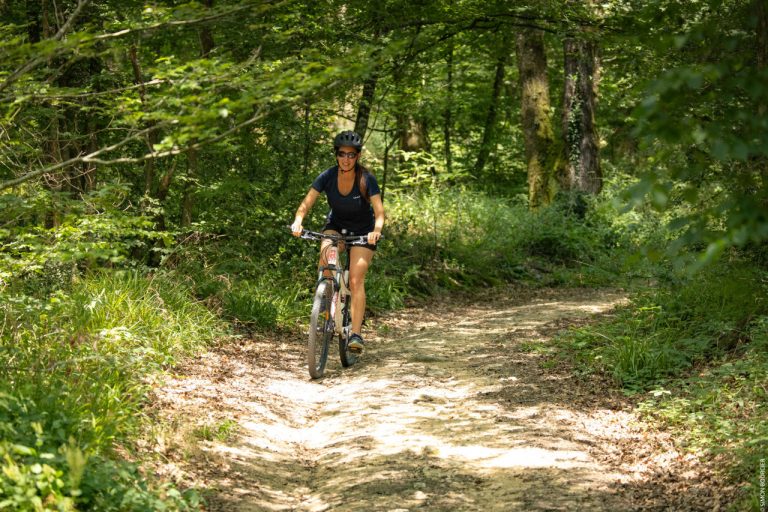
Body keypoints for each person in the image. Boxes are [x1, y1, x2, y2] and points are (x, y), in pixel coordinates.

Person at [291, 130, 385, 354]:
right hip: (336, 227)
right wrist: (298, 221)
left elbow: (379, 212)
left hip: (363, 232)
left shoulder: (366, 179)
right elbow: (307, 203)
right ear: (336, 155)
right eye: (342, 154)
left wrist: (376, 231)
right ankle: (324, 307)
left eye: (351, 155)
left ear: (358, 156)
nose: (346, 159)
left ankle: (356, 334)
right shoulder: (327, 176)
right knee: (326, 261)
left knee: (355, 279)